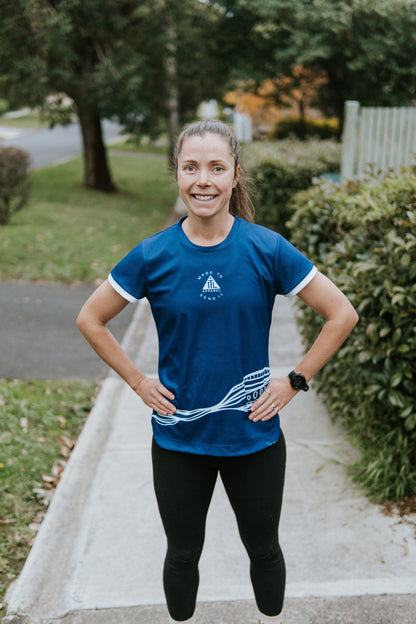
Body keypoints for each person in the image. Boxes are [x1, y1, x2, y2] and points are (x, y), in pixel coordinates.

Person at [76, 120, 359, 624]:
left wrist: (294, 380)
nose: (202, 180)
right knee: (182, 555)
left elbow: (342, 314)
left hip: (253, 438)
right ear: (178, 175)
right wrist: (139, 381)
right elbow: (90, 319)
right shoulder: (154, 255)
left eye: (215, 167)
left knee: (265, 551)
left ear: (234, 176)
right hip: (179, 441)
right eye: (191, 167)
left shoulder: (266, 248)